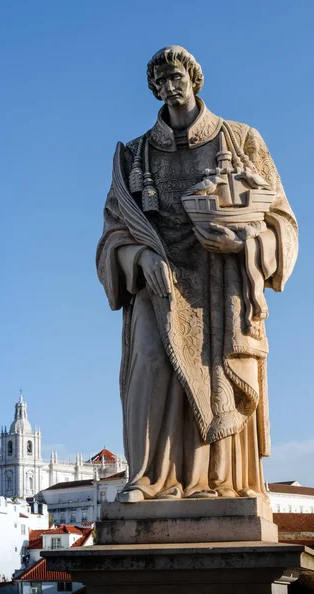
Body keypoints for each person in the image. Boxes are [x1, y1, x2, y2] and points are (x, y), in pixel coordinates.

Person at [96, 46, 298, 502]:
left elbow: (283, 220)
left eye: (176, 76)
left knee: (218, 373)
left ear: (194, 78)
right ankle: (150, 479)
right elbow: (112, 234)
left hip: (221, 279)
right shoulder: (135, 154)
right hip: (158, 277)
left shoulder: (241, 140)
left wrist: (245, 245)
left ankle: (219, 482)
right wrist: (138, 259)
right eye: (160, 81)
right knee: (149, 362)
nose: (169, 86)